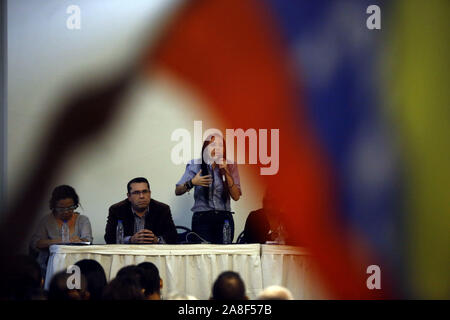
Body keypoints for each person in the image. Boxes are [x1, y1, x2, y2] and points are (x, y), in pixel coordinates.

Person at [175, 134, 242, 244]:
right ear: (205, 148)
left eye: (221, 145)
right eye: (213, 145)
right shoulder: (194, 165)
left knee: (223, 256)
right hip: (202, 219)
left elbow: (236, 196)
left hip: (224, 219)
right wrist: (192, 183)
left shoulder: (231, 165)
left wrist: (227, 172)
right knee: (204, 256)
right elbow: (178, 190)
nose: (217, 148)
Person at [30, 185, 93, 278]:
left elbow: (88, 240)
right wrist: (60, 241)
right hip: (49, 267)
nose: (66, 212)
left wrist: (80, 240)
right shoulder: (46, 221)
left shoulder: (82, 220)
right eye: (61, 208)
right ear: (54, 206)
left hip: (77, 267)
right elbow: (35, 243)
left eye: (70, 207)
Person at [104, 177, 177, 244]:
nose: (142, 196)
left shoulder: (162, 209)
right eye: (136, 193)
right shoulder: (116, 210)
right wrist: (130, 240)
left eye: (145, 192)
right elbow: (109, 238)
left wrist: (157, 240)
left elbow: (173, 238)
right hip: (126, 254)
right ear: (129, 196)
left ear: (150, 193)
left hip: (153, 253)